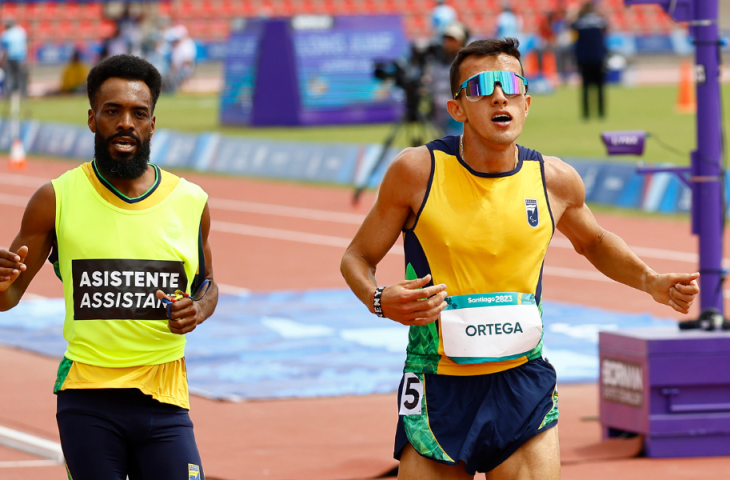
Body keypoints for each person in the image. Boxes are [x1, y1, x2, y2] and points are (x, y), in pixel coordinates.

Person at [340, 38, 700, 479]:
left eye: (510, 84)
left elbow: (596, 242)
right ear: (457, 109)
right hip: (439, 382)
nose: (498, 95)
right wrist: (379, 300)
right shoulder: (417, 172)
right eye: (480, 87)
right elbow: (357, 257)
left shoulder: (554, 180)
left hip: (522, 382)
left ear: (526, 103)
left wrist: (650, 280)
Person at [0, 54, 218, 480]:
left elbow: (207, 284)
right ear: (92, 118)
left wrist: (199, 308)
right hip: (88, 398)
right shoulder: (55, 199)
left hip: (166, 397)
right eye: (112, 111)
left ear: (152, 124)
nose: (125, 123)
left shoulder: (191, 201)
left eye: (138, 113)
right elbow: (6, 298)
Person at [425, 22, 469, 136]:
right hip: (439, 115)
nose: (448, 43)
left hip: (458, 115)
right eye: (446, 39)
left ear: (462, 41)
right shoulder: (437, 63)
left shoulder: (467, 64)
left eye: (452, 39)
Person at [572, 2, 608, 119]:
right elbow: (607, 29)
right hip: (598, 57)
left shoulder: (579, 22)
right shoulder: (599, 21)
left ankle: (586, 114)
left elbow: (570, 26)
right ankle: (601, 113)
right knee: (600, 87)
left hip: (584, 58)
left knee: (585, 87)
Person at [0, 18, 28, 98]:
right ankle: (23, 94)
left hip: (11, 60)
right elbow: (25, 46)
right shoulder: (21, 31)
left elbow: (5, 50)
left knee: (9, 78)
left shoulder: (6, 34)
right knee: (21, 79)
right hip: (21, 60)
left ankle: (9, 94)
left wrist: (2, 62)